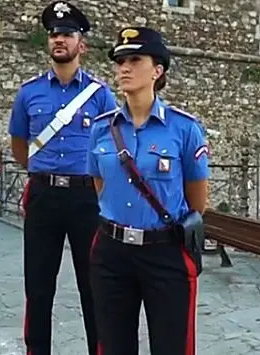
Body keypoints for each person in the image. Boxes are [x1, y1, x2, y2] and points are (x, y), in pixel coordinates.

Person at [87, 27, 210, 355]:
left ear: (158, 70)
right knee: (112, 345)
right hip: (111, 253)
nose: (123, 67)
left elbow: (197, 200)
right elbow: (100, 185)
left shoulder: (184, 129)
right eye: (119, 61)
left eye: (134, 59)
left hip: (165, 252)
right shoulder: (102, 129)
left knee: (172, 346)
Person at [7, 1, 117, 354]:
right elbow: (20, 145)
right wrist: (43, 174)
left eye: (67, 34)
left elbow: (116, 146)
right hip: (43, 197)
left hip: (87, 199)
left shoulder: (100, 96)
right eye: (54, 34)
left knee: (94, 286)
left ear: (80, 44)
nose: (59, 39)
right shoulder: (29, 93)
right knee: (38, 287)